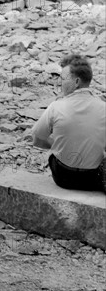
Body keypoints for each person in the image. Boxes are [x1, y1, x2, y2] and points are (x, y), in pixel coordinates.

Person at [32, 54, 106, 192]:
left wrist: (59, 145)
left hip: (64, 177)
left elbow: (36, 140)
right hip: (93, 179)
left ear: (76, 81)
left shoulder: (57, 106)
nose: (59, 83)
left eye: (63, 79)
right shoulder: (104, 108)